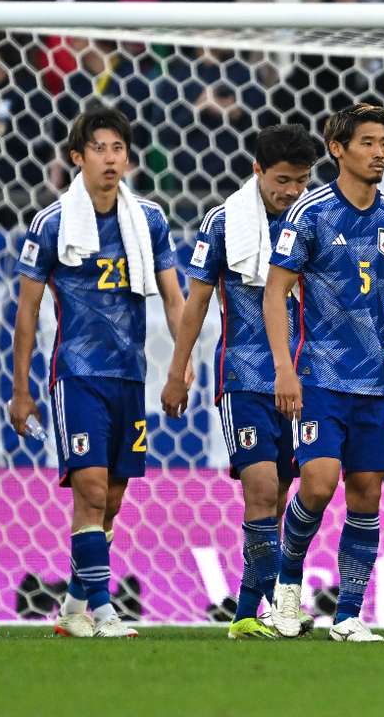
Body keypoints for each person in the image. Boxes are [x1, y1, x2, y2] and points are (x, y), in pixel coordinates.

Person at [9, 105, 185, 638]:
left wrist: (181, 364)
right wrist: (22, 389)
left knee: (109, 499)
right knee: (88, 488)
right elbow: (27, 310)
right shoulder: (54, 222)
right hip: (77, 375)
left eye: (118, 149)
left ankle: (72, 608)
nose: (110, 159)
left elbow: (175, 299)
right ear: (76, 157)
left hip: (130, 377)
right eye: (99, 149)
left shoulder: (148, 219)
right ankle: (105, 613)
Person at [263, 104, 384, 642]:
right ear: (338, 149)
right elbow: (274, 294)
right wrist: (283, 370)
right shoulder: (309, 214)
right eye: (367, 141)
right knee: (317, 484)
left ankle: (348, 615)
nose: (380, 152)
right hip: (318, 376)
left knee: (366, 492)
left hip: (377, 383)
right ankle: (286, 591)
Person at [160, 124, 319, 640]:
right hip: (245, 374)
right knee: (261, 487)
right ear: (257, 171)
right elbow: (198, 300)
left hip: (304, 375)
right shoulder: (224, 222)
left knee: (285, 493)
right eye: (282, 180)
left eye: (301, 180)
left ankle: (263, 604)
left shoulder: (317, 218)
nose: (292, 191)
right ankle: (257, 608)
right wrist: (177, 370)